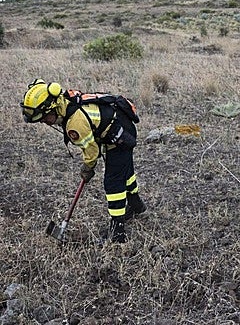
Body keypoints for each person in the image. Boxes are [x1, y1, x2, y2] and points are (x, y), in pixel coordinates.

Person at [20, 79, 146, 243]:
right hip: (119, 125)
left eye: (45, 118)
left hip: (120, 134)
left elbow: (91, 151)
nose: (44, 122)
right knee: (126, 172)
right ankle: (136, 205)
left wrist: (87, 168)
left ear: (54, 108)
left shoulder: (75, 123)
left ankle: (118, 232)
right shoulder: (66, 101)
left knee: (113, 183)